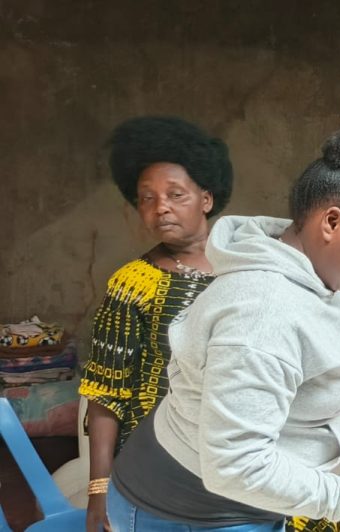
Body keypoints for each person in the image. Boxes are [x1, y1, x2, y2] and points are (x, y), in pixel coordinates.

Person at [105, 124, 340, 531]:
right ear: (331, 222)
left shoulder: (333, 279)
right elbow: (237, 464)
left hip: (252, 499)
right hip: (189, 509)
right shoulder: (261, 315)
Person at [78, 116, 233, 532]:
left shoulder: (247, 269)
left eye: (175, 194)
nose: (160, 206)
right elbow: (105, 394)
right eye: (147, 198)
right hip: (157, 472)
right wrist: (99, 489)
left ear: (206, 198)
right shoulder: (133, 284)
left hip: (239, 463)